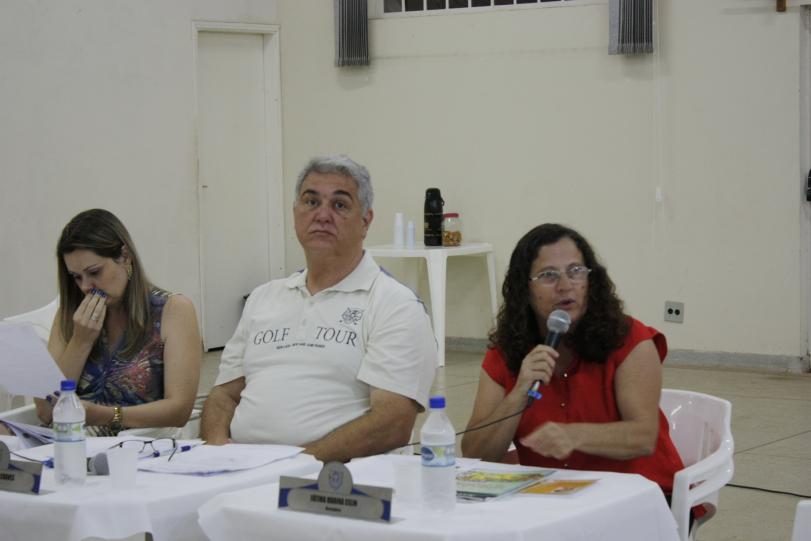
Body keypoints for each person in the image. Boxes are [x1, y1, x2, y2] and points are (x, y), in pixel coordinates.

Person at [200, 155, 437, 462]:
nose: (323, 215)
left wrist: (291, 464)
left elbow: (391, 425)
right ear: (295, 214)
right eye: (311, 202)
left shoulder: (394, 305)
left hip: (331, 478)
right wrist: (216, 454)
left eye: (339, 205)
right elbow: (223, 395)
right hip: (239, 469)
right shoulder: (263, 298)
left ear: (365, 222)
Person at [461, 223, 684, 495]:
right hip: (553, 499)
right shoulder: (507, 350)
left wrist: (574, 435)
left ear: (591, 280)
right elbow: (475, 455)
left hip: (641, 495)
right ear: (524, 289)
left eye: (576, 271)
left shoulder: (629, 339)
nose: (566, 286)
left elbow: (643, 437)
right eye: (548, 275)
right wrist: (518, 393)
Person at [31, 209, 201, 436]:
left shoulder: (173, 310)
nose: (86, 287)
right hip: (67, 440)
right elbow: (45, 411)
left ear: (125, 256)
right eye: (76, 277)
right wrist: (80, 342)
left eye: (94, 272)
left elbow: (179, 410)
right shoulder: (71, 314)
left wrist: (107, 415)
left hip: (135, 443)